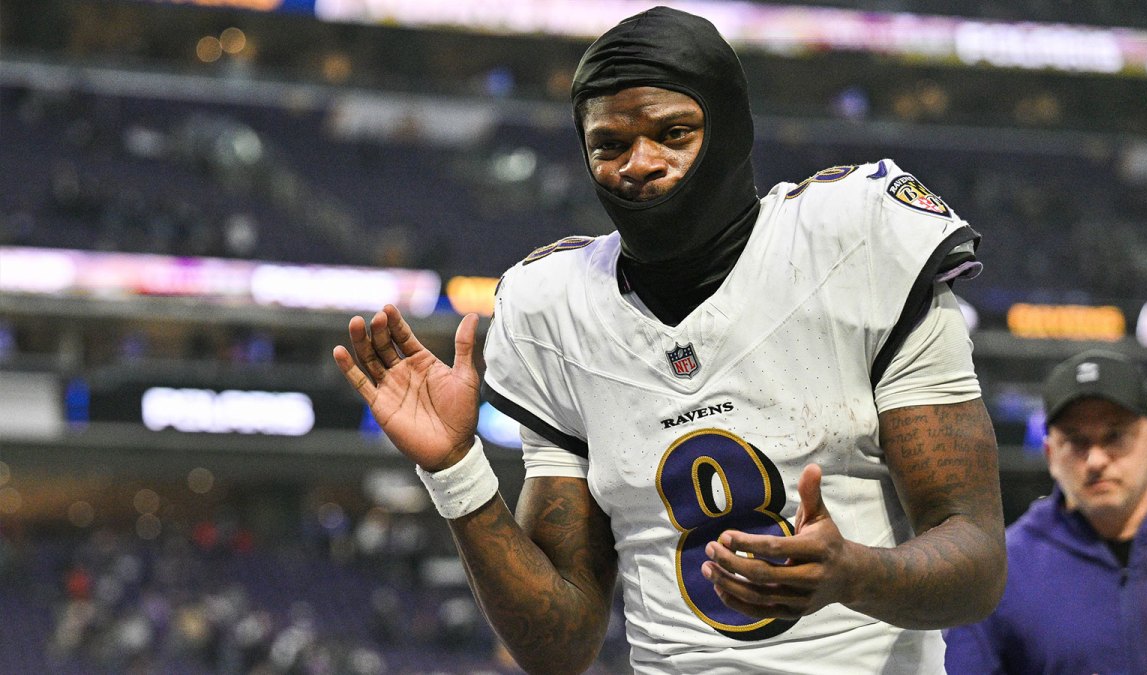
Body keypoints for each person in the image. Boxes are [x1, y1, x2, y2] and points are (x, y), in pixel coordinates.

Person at [333, 7, 1006, 673]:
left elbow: (976, 561)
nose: (640, 164)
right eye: (610, 145)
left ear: (729, 126)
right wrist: (457, 471)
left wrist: (854, 573)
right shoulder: (554, 307)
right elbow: (559, 644)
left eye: (673, 132)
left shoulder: (855, 237)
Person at [944, 350, 1147, 675]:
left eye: (1115, 436)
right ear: (1051, 455)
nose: (1095, 460)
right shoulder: (1006, 568)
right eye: (1076, 442)